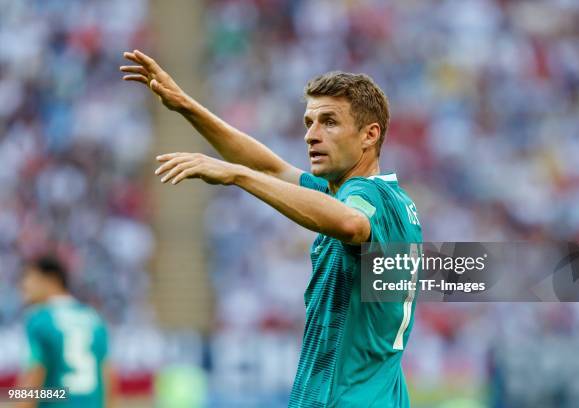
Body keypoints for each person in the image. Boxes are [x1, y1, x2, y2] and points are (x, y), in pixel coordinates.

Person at [121, 50, 422, 407]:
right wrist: (185, 105)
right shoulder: (386, 201)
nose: (311, 135)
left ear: (369, 135)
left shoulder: (366, 194)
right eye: (308, 122)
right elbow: (271, 169)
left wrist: (236, 175)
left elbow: (351, 224)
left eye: (328, 121)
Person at [18, 255, 113, 408]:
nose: (24, 285)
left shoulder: (40, 320)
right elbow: (108, 379)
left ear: (50, 279)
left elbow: (32, 382)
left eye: (29, 278)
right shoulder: (93, 318)